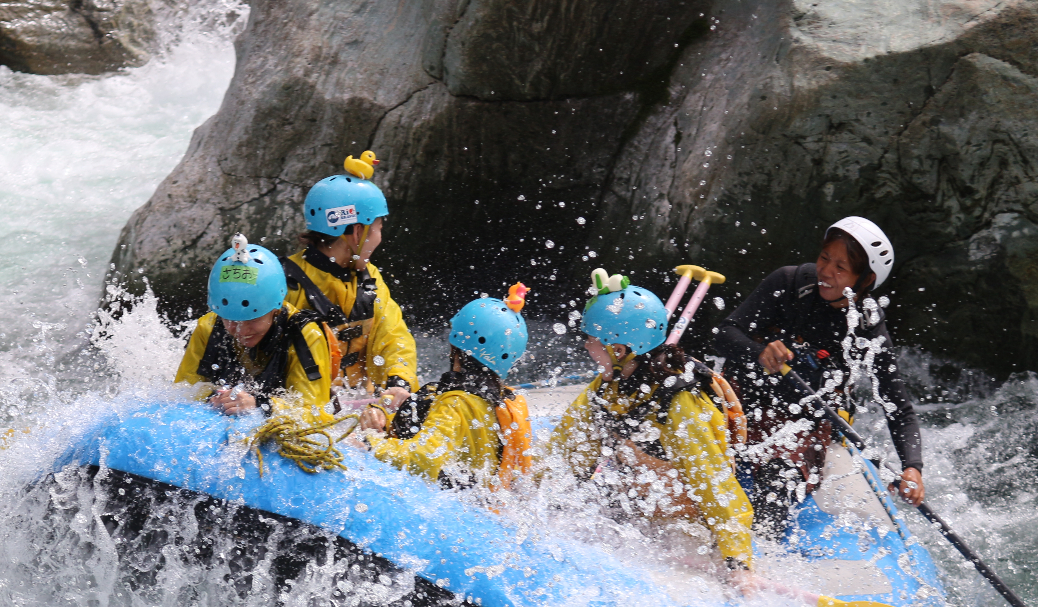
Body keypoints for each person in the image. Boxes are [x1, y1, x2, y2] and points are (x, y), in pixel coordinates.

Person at [712, 216, 924, 531]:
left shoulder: (866, 326)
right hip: (743, 401)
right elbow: (723, 334)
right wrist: (759, 352)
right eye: (825, 258)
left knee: (779, 480)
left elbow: (898, 406)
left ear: (865, 280)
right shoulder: (789, 283)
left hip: (801, 422)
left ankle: (751, 559)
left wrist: (912, 468)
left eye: (841, 267)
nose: (826, 271)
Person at [549, 273, 755, 574]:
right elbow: (564, 450)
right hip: (639, 511)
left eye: (591, 342)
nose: (585, 348)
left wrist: (738, 563)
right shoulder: (605, 389)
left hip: (688, 528)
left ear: (618, 351)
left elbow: (716, 486)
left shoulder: (680, 405)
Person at [358, 284, 532, 490]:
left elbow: (420, 459)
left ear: (455, 346)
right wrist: (385, 408)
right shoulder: (505, 399)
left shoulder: (455, 405)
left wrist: (367, 443)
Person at [284, 154, 419, 411]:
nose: (380, 238)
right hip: (306, 410)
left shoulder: (370, 278)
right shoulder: (286, 283)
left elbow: (394, 336)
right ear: (358, 231)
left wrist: (399, 381)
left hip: (360, 407)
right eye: (378, 228)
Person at [175, 237, 334, 425]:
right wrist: (214, 397)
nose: (241, 330)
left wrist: (260, 404)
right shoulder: (208, 328)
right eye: (230, 319)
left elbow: (316, 414)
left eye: (252, 319)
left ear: (275, 309)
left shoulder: (305, 335)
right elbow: (182, 393)